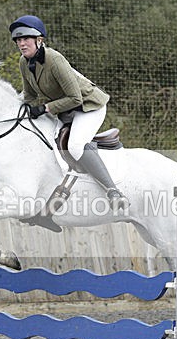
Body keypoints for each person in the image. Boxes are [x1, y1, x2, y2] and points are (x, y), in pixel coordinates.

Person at [9, 14, 129, 211]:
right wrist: (13, 109)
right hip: (65, 112)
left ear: (39, 40)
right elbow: (29, 95)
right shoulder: (24, 62)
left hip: (89, 106)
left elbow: (76, 98)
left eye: (26, 39)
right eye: (18, 40)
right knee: (46, 142)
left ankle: (113, 191)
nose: (21, 44)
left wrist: (45, 108)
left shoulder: (55, 59)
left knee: (75, 145)